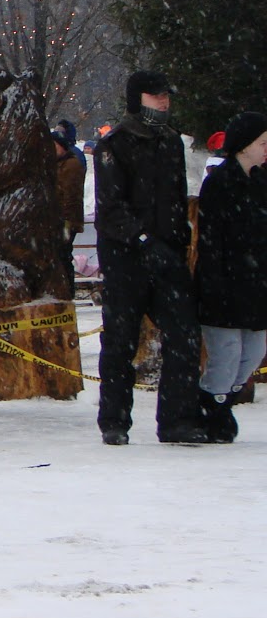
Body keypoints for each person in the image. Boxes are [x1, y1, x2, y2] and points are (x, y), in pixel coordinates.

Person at [93, 70, 207, 446]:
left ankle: (177, 419)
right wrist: (142, 241)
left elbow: (175, 198)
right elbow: (110, 209)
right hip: (127, 259)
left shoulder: (171, 142)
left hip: (168, 255)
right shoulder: (115, 145)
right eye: (157, 95)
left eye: (166, 96)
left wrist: (177, 242)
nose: (164, 102)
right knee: (121, 341)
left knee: (185, 336)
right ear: (137, 98)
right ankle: (114, 420)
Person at [193, 111, 267, 443]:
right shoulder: (220, 182)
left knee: (252, 350)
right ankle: (213, 406)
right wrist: (214, 283)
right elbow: (212, 240)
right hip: (224, 283)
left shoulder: (261, 181)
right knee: (226, 352)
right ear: (244, 145)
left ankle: (224, 401)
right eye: (262, 143)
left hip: (256, 285)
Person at [51, 126, 87, 279]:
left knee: (63, 255)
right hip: (57, 218)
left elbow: (71, 196)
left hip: (65, 219)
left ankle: (67, 288)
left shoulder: (71, 165)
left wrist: (67, 222)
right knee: (59, 254)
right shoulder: (56, 164)